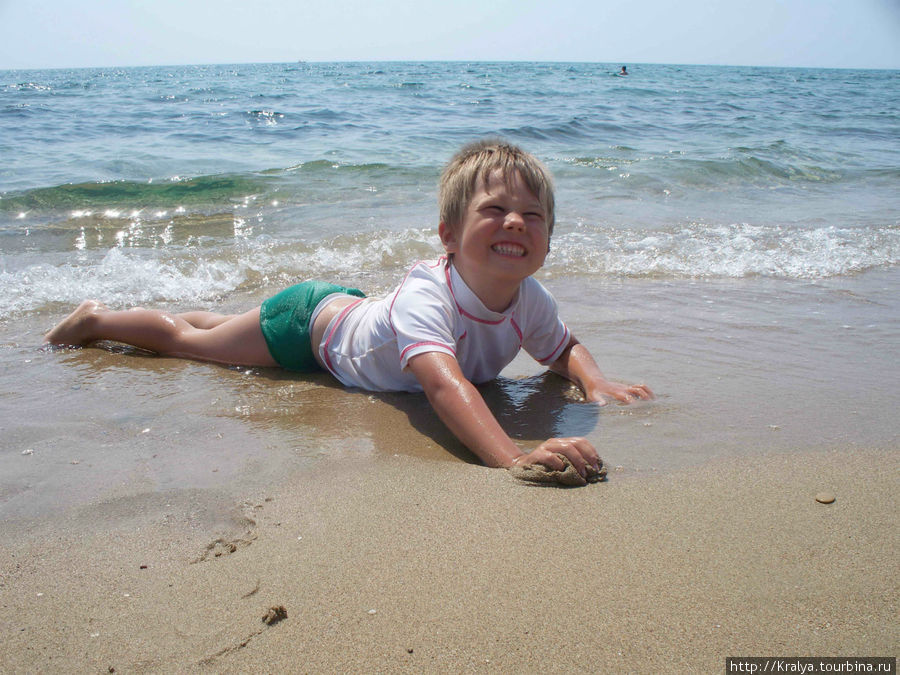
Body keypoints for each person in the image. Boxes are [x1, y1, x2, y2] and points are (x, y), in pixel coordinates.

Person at [44, 140, 653, 480]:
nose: (515, 221)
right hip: (307, 330)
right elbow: (444, 387)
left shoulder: (531, 300)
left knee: (221, 326)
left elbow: (562, 348)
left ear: (547, 242)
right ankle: (94, 320)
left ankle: (213, 318)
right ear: (447, 234)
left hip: (354, 312)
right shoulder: (428, 297)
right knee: (187, 342)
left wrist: (595, 383)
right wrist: (513, 456)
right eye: (493, 210)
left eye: (533, 216)